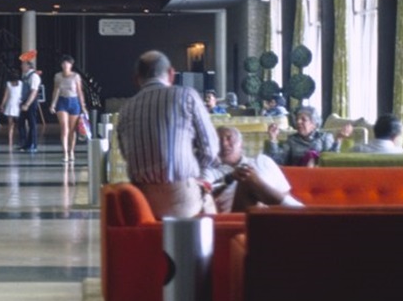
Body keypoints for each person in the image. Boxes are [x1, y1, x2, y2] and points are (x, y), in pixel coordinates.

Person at [115, 50, 219, 218]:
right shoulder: (186, 96)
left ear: (136, 79)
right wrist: (200, 177)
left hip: (141, 201)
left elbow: (127, 154)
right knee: (209, 202)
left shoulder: (126, 108)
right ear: (171, 74)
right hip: (181, 198)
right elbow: (210, 149)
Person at [202, 126, 302, 213]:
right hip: (238, 219)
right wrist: (231, 177)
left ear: (241, 144)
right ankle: (303, 213)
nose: (224, 144)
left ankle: (299, 214)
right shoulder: (210, 172)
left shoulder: (263, 161)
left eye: (229, 138)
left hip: (273, 215)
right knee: (247, 177)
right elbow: (205, 194)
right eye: (218, 141)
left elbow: (285, 193)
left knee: (248, 174)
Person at [263, 105, 350, 166]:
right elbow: (278, 162)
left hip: (320, 177)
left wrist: (339, 139)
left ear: (314, 124)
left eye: (303, 120)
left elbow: (331, 161)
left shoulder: (324, 137)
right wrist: (273, 138)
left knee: (312, 155)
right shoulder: (292, 140)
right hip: (297, 177)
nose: (298, 122)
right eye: (297, 119)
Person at [52, 54, 87, 162]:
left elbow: (79, 92)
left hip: (74, 101)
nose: (65, 65)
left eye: (67, 63)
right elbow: (56, 90)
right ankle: (65, 153)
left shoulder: (76, 76)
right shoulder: (58, 76)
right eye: (63, 63)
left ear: (71, 65)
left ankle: (71, 151)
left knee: (72, 130)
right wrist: (53, 104)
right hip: (62, 101)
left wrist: (83, 106)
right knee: (64, 128)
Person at [18, 59, 42, 152]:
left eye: (23, 65)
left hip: (30, 103)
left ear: (28, 66)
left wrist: (27, 104)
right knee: (21, 123)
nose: (21, 66)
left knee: (32, 124)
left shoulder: (34, 76)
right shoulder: (25, 76)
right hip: (24, 101)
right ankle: (25, 144)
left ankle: (33, 144)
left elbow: (34, 91)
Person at [0, 76, 22, 146]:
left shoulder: (20, 83)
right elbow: (6, 95)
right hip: (12, 104)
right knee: (11, 123)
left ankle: (18, 137)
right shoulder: (9, 84)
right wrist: (2, 104)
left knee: (16, 123)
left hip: (17, 104)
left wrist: (2, 105)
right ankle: (10, 139)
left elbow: (6, 95)